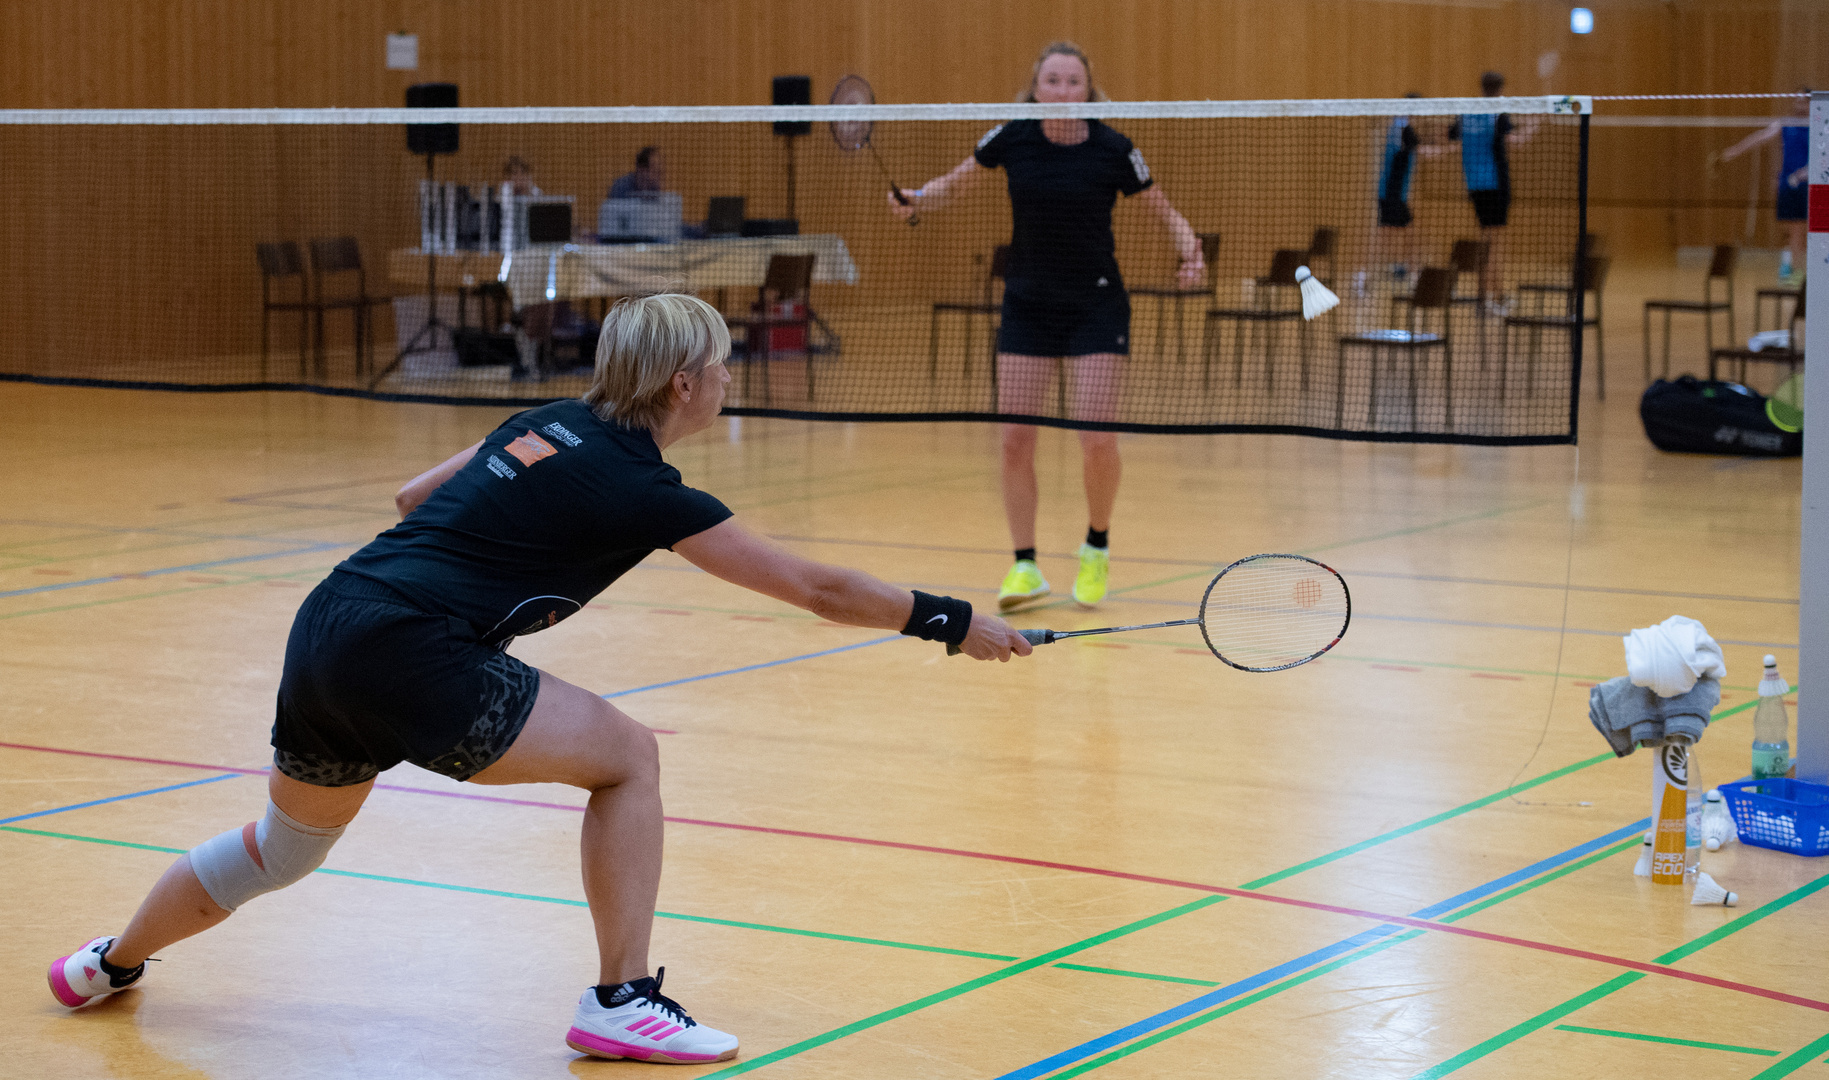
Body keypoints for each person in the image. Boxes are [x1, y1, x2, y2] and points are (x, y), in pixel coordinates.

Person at [45, 294, 1033, 1063]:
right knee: (628, 761)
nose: (729, 381)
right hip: (410, 648)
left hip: (332, 624)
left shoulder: (547, 420)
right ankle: (622, 1004)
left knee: (278, 851)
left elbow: (410, 496)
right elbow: (814, 586)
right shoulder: (643, 487)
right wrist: (950, 622)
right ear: (685, 383)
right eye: (722, 367)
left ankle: (107, 963)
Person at [888, 41, 1203, 611]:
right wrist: (917, 199)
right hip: (1028, 305)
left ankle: (1096, 546)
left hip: (1096, 306)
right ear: (1035, 89)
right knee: (1014, 441)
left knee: (1097, 438)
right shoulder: (1012, 136)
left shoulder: (1113, 148)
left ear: (1089, 89)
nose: (1061, 90)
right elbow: (953, 185)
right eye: (1051, 81)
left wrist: (1190, 249)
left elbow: (1165, 211)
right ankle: (1025, 566)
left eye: (1072, 81)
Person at [1446, 72, 1533, 313]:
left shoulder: (1467, 111)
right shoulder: (1497, 112)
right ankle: (1486, 300)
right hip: (1496, 183)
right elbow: (1516, 141)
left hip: (1474, 185)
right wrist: (1535, 122)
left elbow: (1451, 137)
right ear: (1500, 88)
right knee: (1495, 244)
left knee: (1487, 240)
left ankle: (1496, 295)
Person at [1715, 92, 1810, 284]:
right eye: (1797, 100)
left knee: (1802, 230)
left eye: (1804, 102)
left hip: (1809, 184)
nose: (1799, 105)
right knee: (1791, 230)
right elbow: (1760, 137)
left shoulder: (1819, 126)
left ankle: (1799, 271)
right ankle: (1792, 268)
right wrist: (1732, 152)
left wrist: (1804, 173)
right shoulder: (1785, 123)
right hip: (1787, 184)